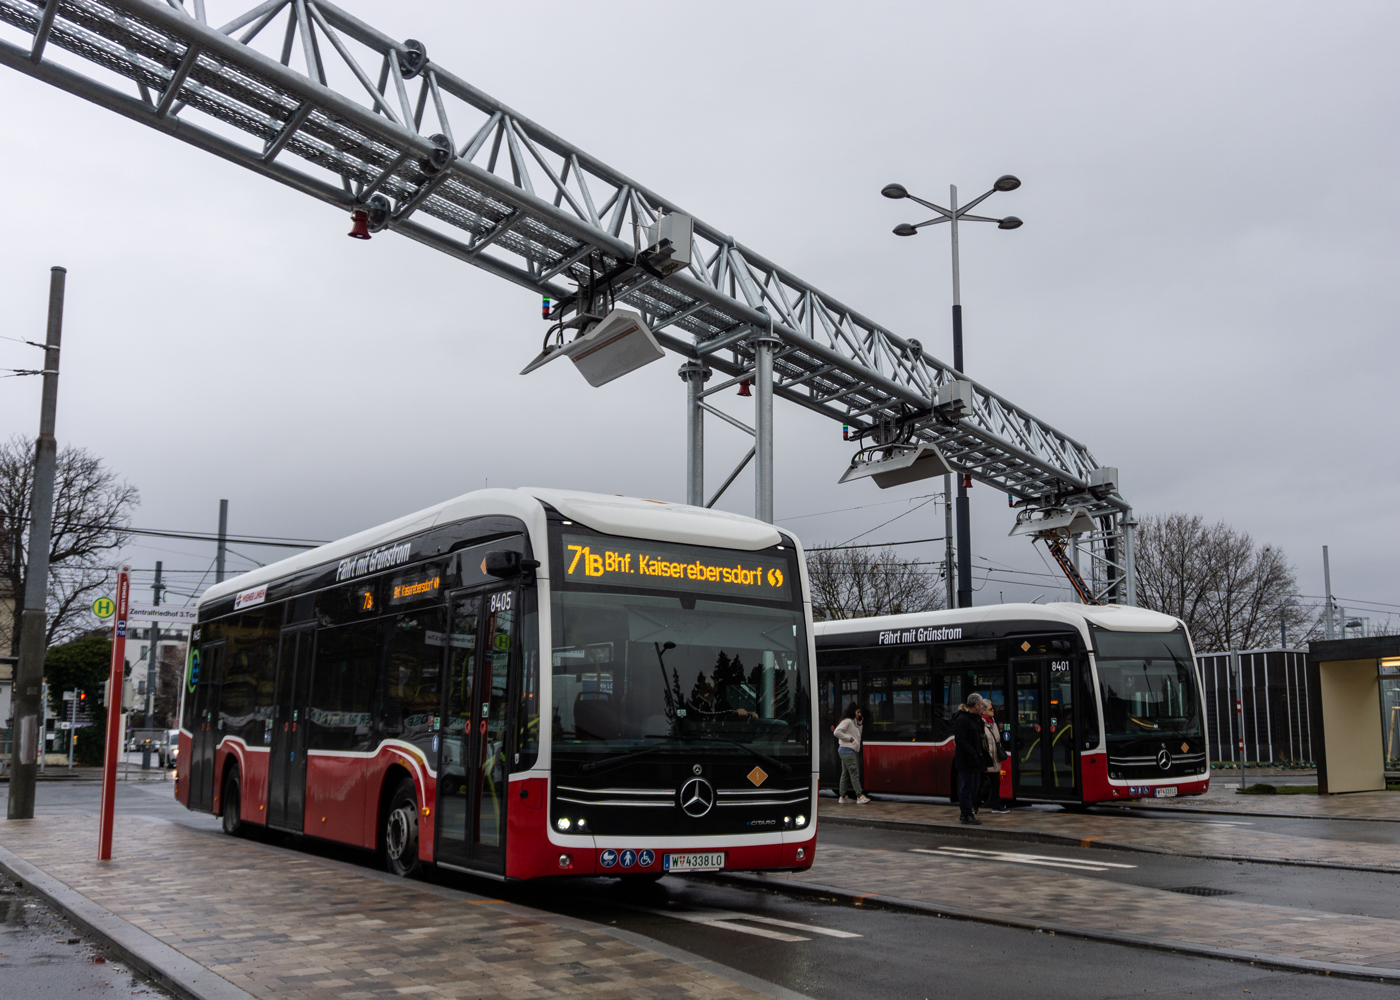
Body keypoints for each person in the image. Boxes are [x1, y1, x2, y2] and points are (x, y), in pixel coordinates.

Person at [953, 694, 992, 824]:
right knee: (967, 788)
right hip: (966, 761)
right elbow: (960, 740)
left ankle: (968, 812)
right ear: (976, 705)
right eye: (981, 704)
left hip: (976, 760)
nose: (982, 706)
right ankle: (966, 814)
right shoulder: (963, 719)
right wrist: (972, 752)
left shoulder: (977, 719)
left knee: (975, 788)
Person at [833, 704, 870, 804]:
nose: (859, 714)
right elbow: (836, 732)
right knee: (854, 773)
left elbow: (857, 735)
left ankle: (843, 796)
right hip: (847, 750)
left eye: (859, 712)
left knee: (845, 774)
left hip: (847, 750)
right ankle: (860, 796)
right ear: (852, 712)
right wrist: (849, 739)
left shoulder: (852, 722)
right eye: (857, 712)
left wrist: (859, 724)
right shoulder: (848, 721)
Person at [980, 700, 1010, 814]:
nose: (993, 711)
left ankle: (996, 805)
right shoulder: (981, 723)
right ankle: (975, 805)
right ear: (983, 711)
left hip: (995, 759)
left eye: (993, 709)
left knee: (995, 783)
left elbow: (997, 740)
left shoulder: (993, 722)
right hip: (987, 759)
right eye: (990, 709)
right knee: (981, 783)